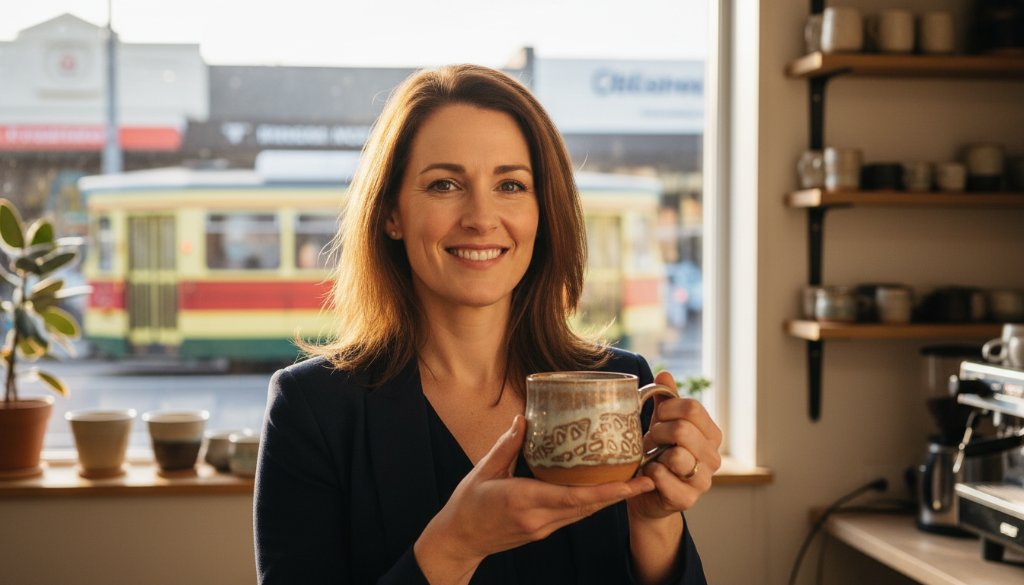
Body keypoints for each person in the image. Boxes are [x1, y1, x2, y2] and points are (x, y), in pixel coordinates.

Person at [254, 64, 722, 585]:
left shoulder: (620, 387)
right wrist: (455, 547)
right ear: (391, 213)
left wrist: (654, 520)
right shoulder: (313, 410)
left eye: (511, 185)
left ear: (543, 212)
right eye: (444, 184)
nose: (480, 217)